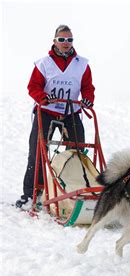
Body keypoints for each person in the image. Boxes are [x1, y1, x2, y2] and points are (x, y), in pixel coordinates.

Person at [16, 25, 95, 209]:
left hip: (71, 112)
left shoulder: (81, 64)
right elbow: (33, 86)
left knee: (77, 152)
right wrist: (43, 98)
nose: (66, 43)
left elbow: (87, 87)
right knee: (37, 152)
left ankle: (75, 191)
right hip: (47, 111)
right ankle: (31, 196)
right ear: (54, 42)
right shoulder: (44, 63)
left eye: (69, 40)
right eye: (62, 40)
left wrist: (88, 100)